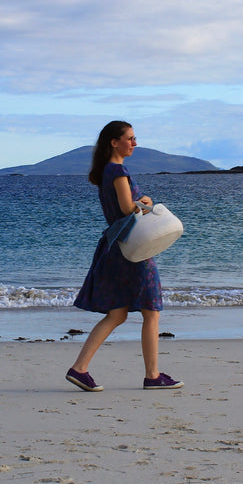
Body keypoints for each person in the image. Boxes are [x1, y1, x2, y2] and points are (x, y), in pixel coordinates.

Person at [68, 120, 184, 392]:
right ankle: (152, 376)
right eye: (130, 138)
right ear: (114, 142)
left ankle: (79, 369)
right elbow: (125, 208)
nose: (134, 143)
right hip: (133, 249)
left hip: (116, 246)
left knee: (117, 314)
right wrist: (144, 203)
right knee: (152, 309)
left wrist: (141, 202)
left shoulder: (106, 171)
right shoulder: (118, 170)